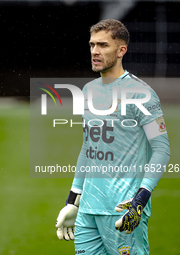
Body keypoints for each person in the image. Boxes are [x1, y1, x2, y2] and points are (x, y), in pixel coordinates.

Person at [55, 19, 171, 255]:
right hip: (87, 210)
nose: (95, 52)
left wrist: (140, 200)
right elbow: (89, 147)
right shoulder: (89, 90)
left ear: (121, 50)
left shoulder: (141, 94)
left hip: (123, 209)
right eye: (91, 45)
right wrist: (72, 200)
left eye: (103, 45)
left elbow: (161, 149)